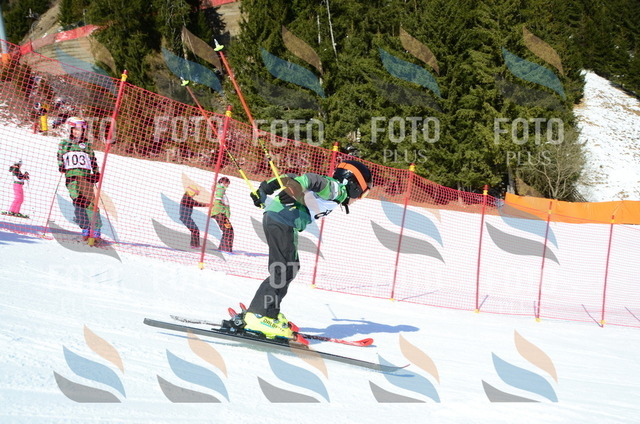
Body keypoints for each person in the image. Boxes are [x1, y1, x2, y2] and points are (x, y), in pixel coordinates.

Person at [240, 160, 373, 340]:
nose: (359, 199)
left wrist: (265, 189)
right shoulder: (338, 190)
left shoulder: (334, 191)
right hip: (282, 221)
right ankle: (258, 315)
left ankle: (269, 313)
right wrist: (295, 188)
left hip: (280, 221)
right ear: (354, 186)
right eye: (363, 193)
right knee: (283, 270)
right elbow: (311, 179)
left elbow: (289, 178)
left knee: (288, 268)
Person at [57, 117, 102, 240]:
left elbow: (92, 160)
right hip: (72, 178)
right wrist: (61, 165)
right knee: (79, 202)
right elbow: (60, 155)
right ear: (70, 130)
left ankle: (96, 230)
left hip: (86, 177)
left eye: (80, 130)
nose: (78, 132)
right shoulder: (65, 143)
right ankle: (85, 227)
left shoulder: (86, 145)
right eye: (75, 130)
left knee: (91, 204)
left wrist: (96, 173)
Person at [210, 177, 234, 252]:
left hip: (220, 214)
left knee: (228, 231)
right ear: (223, 183)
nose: (228, 186)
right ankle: (226, 249)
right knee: (229, 231)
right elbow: (218, 201)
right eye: (227, 184)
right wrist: (221, 213)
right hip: (220, 214)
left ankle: (223, 248)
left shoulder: (221, 190)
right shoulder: (220, 189)